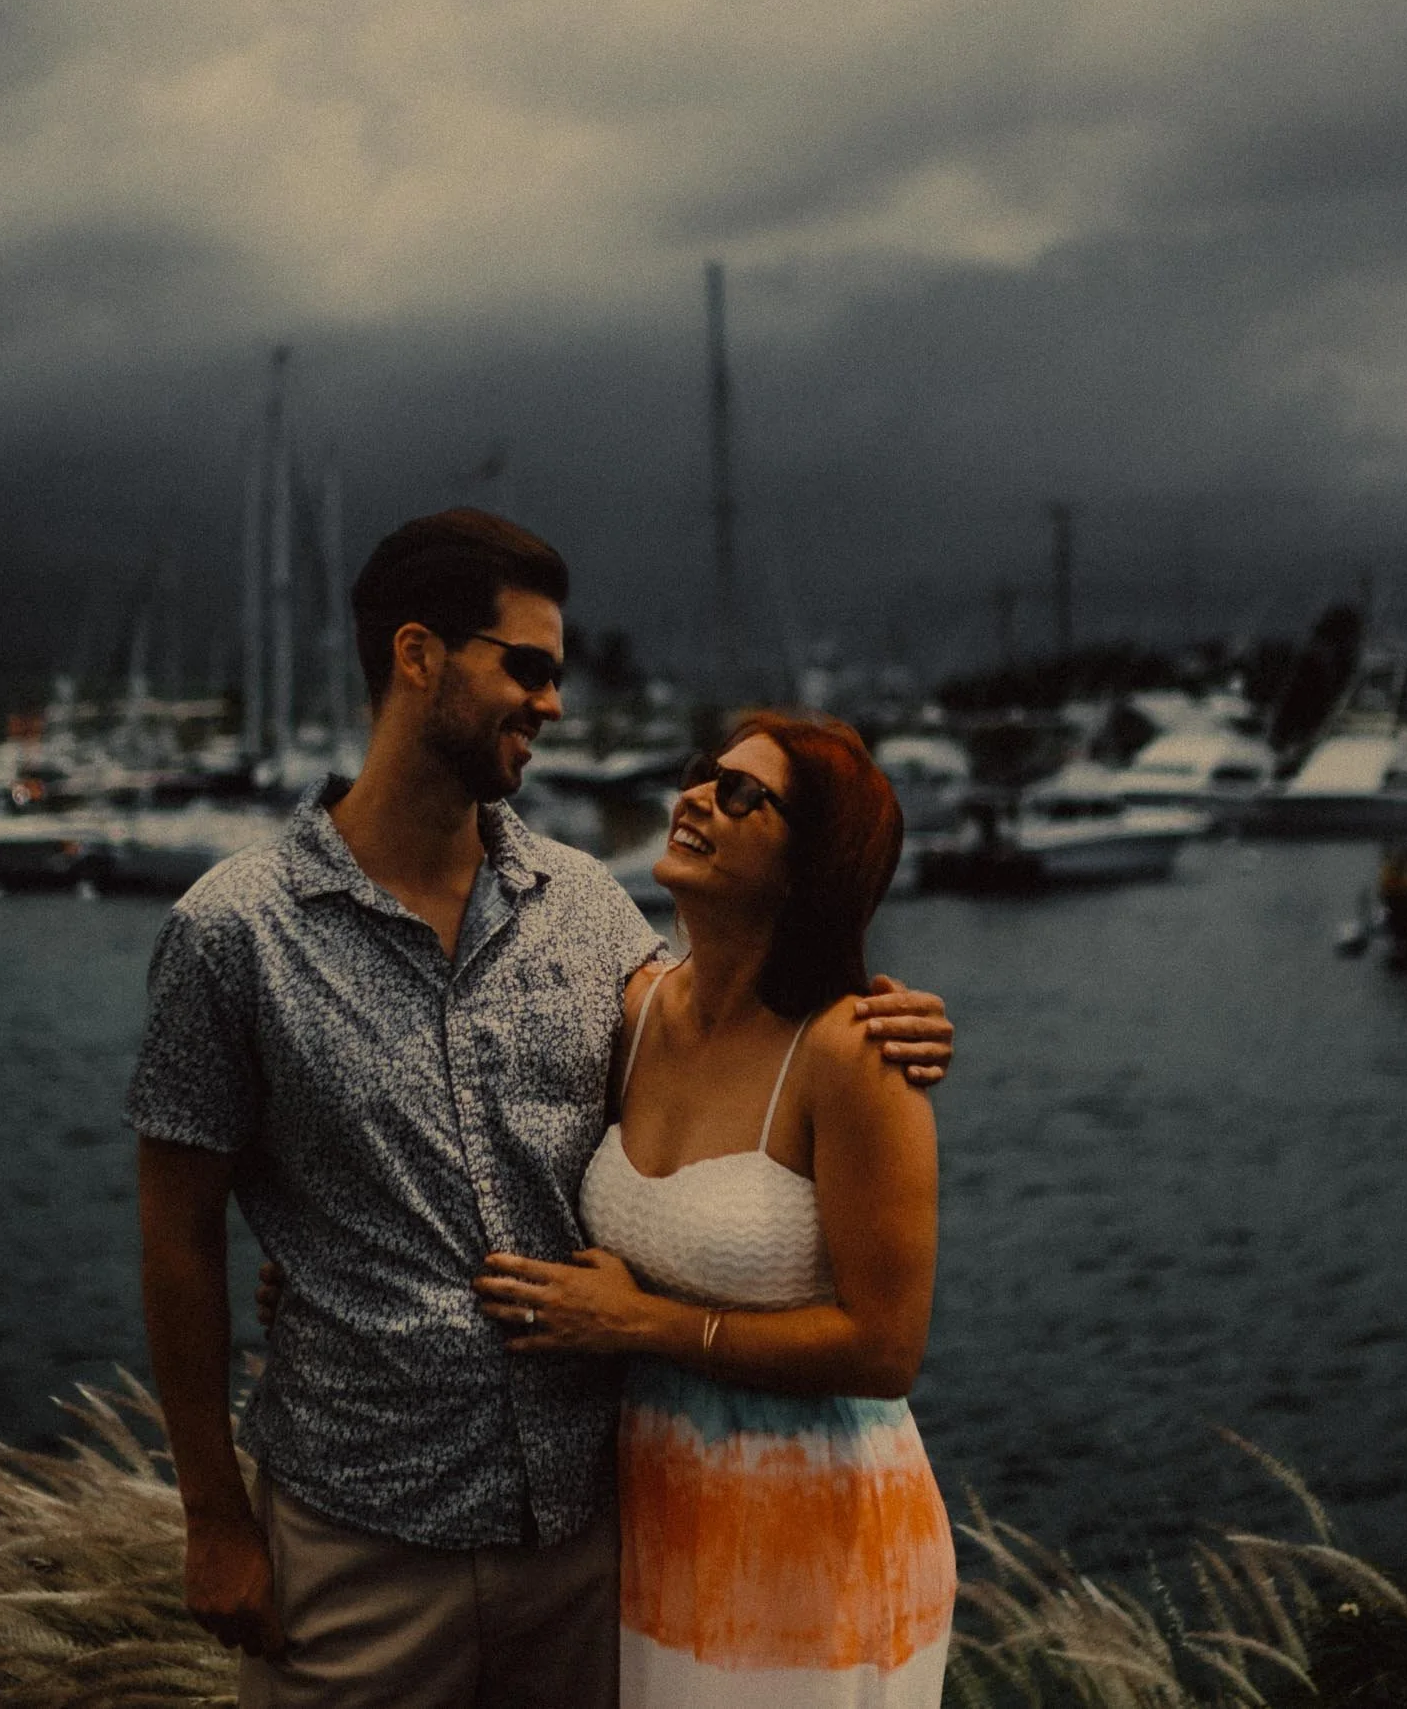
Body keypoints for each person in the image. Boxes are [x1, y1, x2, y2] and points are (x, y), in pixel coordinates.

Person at [130, 508, 953, 1709]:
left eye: (558, 676)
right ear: (418, 657)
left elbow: (731, 1045)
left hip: (594, 1545)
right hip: (358, 1535)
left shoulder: (589, 910)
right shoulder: (230, 932)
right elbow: (176, 1238)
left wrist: (887, 1012)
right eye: (526, 669)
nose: (553, 705)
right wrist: (214, 1517)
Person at [472, 714, 956, 1706]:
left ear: (806, 866)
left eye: (743, 795)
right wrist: (330, 1255)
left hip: (819, 1539)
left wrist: (643, 1324)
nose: (695, 798)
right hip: (659, 1520)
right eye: (703, 775)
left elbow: (886, 1348)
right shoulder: (635, 1011)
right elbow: (488, 1138)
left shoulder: (853, 1056)